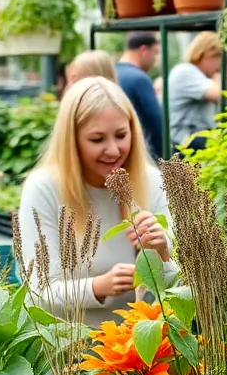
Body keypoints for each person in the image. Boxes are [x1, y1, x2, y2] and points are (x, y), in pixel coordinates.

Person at [17, 76, 177, 326]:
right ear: (72, 141)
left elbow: (179, 286)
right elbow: (40, 289)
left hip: (141, 349)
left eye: (121, 135)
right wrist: (97, 287)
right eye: (97, 139)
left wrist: (163, 252)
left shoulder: (152, 181)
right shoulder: (43, 188)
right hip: (66, 352)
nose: (113, 150)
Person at [168, 31, 222, 151]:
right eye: (218, 57)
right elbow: (220, 94)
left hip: (190, 141)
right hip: (183, 143)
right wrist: (219, 75)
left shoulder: (198, 74)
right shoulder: (186, 71)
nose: (219, 65)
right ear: (206, 54)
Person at [117, 32, 165, 160]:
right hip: (142, 155)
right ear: (144, 50)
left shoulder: (111, 73)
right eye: (155, 53)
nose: (155, 59)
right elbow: (157, 123)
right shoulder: (139, 79)